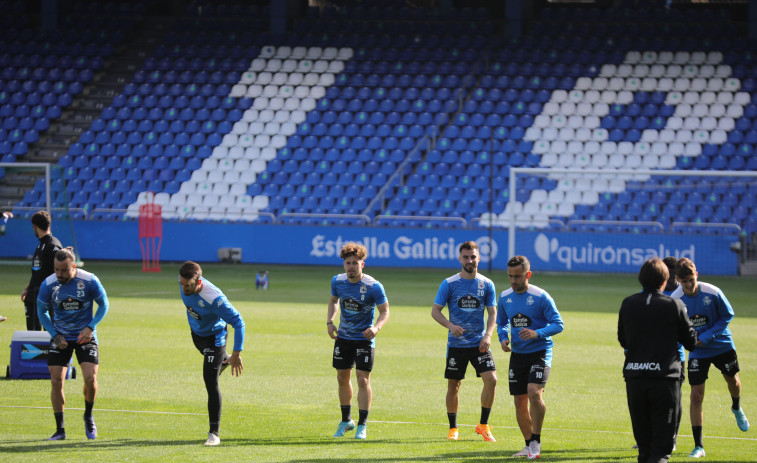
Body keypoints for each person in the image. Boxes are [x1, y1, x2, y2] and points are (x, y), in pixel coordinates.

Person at [619, 258, 698, 463]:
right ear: (666, 280)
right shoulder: (675, 304)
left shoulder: (628, 303)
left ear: (640, 279)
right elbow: (690, 342)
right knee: (661, 450)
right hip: (665, 380)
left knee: (644, 449)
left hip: (635, 379)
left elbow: (622, 339)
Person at [671, 257, 749, 459]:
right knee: (696, 396)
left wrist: (706, 336)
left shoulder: (712, 292)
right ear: (677, 280)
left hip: (721, 344)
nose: (689, 285)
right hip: (697, 350)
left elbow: (728, 315)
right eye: (684, 281)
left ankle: (736, 407)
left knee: (732, 380)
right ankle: (699, 446)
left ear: (696, 275)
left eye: (691, 279)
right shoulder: (676, 299)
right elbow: (676, 328)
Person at [37, 247, 109, 441]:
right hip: (61, 337)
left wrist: (91, 326)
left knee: (90, 379)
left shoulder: (89, 280)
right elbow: (41, 310)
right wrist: (53, 334)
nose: (59, 274)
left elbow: (104, 304)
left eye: (64, 270)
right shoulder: (48, 284)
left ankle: (88, 415)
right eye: (56, 269)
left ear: (73, 266)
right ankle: (60, 430)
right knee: (56, 380)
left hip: (84, 336)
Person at [497, 255, 564, 459]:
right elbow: (502, 322)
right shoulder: (505, 297)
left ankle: (536, 440)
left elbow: (558, 324)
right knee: (519, 400)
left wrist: (538, 333)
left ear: (528, 274)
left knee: (534, 392)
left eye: (518, 276)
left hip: (540, 352)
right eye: (510, 276)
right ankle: (528, 445)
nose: (513, 280)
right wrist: (503, 338)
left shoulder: (541, 296)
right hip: (518, 354)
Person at [431, 240, 497, 442]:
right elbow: (435, 311)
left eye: (473, 257)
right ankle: (453, 429)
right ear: (460, 259)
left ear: (479, 258)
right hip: (457, 345)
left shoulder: (486, 284)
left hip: (479, 343)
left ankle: (483, 425)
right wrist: (451, 326)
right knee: (454, 386)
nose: (470, 260)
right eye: (466, 257)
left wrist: (488, 335)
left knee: (492, 380)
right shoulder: (449, 284)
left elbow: (493, 313)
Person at [179, 261, 245, 446]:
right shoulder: (185, 281)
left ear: (199, 282)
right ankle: (223, 361)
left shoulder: (214, 299)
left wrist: (237, 353)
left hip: (215, 339)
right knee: (213, 366)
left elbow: (239, 322)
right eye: (181, 283)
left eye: (188, 285)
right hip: (197, 335)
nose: (183, 288)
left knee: (210, 380)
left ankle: (214, 433)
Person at [327, 242, 389, 440]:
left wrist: (376, 328)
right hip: (343, 338)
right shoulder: (337, 282)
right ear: (343, 264)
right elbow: (333, 300)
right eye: (348, 263)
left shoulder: (373, 286)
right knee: (342, 378)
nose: (351, 266)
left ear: (363, 264)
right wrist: (330, 321)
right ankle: (347, 421)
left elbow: (385, 311)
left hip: (364, 339)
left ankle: (362, 425)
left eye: (355, 263)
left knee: (363, 379)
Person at [22, 210, 62, 330]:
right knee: (32, 331)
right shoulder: (41, 245)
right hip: (33, 295)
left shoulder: (53, 246)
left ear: (35, 226)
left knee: (46, 332)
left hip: (44, 296)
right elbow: (38, 272)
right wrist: (27, 288)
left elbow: (58, 272)